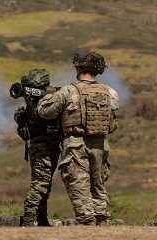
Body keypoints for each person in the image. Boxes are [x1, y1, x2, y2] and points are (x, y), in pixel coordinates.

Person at [37, 51, 119, 225]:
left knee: (78, 183)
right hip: (100, 144)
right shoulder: (109, 92)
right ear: (98, 69)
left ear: (78, 68)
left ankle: (87, 222)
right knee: (98, 185)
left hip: (75, 144)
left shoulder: (68, 91)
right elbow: (112, 122)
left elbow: (45, 112)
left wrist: (45, 98)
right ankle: (102, 219)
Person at [14, 69, 61, 227]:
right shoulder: (37, 99)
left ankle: (41, 219)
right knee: (40, 183)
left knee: (44, 184)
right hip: (43, 147)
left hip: (45, 146)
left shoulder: (39, 97)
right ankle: (28, 219)